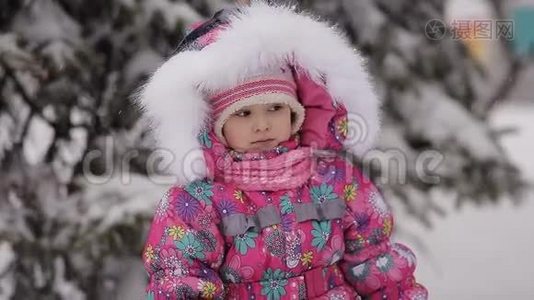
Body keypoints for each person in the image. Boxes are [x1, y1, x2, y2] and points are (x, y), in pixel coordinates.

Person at [139, 1, 428, 299]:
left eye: (276, 108)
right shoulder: (197, 201)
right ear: (215, 124)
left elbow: (374, 260)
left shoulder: (336, 180)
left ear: (296, 113)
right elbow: (181, 278)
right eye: (243, 114)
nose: (262, 125)